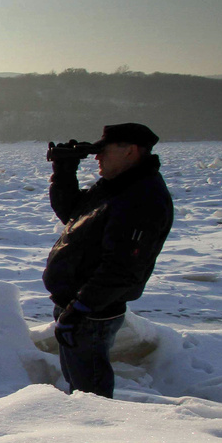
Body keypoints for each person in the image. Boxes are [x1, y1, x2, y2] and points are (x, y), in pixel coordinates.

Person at [42, 123, 174, 397]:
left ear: (131, 151)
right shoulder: (118, 187)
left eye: (104, 150)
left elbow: (123, 268)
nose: (97, 157)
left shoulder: (141, 197)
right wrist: (64, 173)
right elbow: (74, 214)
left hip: (92, 313)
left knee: (90, 395)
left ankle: (94, 434)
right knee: (79, 388)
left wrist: (80, 309)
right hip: (79, 308)